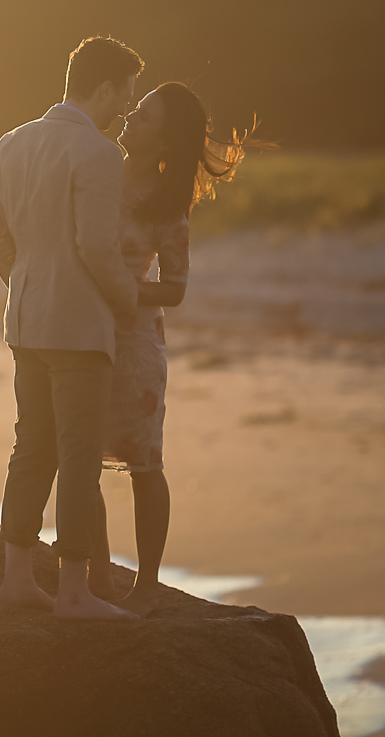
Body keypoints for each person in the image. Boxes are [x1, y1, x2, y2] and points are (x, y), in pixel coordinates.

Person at [0, 36, 142, 620]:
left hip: (25, 321)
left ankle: (16, 578)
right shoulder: (98, 154)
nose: (126, 107)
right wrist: (127, 301)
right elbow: (96, 247)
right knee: (77, 456)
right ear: (102, 89)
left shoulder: (12, 142)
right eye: (124, 94)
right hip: (78, 328)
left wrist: (20, 276)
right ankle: (73, 592)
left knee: (31, 448)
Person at [89, 82, 253, 616]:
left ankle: (148, 584)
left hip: (135, 345)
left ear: (164, 142)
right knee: (80, 455)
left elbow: (176, 289)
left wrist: (122, 288)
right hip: (83, 333)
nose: (130, 119)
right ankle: (96, 574)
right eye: (133, 110)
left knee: (144, 462)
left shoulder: (166, 205)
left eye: (143, 116)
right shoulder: (97, 171)